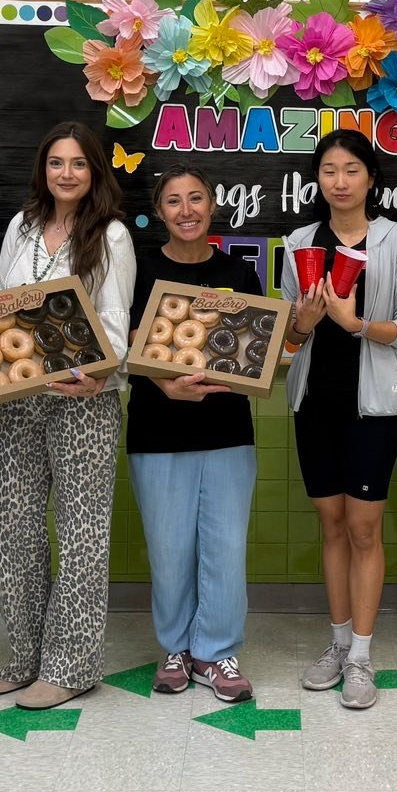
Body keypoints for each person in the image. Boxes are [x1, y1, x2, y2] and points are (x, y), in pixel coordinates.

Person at [0, 122, 136, 710]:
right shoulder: (21, 228)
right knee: (13, 528)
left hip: (85, 403)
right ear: (42, 169)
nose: (66, 173)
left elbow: (116, 326)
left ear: (95, 171)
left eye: (78, 163)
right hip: (20, 400)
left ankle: (71, 665)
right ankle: (24, 654)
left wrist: (97, 374)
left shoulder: (112, 235)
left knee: (81, 534)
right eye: (55, 163)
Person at [281, 128, 397, 710]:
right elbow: (289, 338)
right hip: (315, 401)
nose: (339, 182)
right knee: (332, 525)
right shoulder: (300, 240)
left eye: (351, 170)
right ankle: (338, 644)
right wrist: (305, 321)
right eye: (328, 171)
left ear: (371, 177)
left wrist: (353, 322)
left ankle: (363, 657)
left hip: (376, 407)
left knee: (365, 529)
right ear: (317, 180)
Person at [126, 165, 260, 702]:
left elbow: (257, 350)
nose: (187, 210)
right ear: (160, 212)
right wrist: (164, 383)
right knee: (169, 547)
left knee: (226, 547)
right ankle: (177, 647)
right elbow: (124, 345)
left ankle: (217, 651)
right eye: (175, 201)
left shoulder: (240, 275)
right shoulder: (138, 271)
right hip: (158, 430)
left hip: (227, 429)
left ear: (212, 205)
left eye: (196, 198)